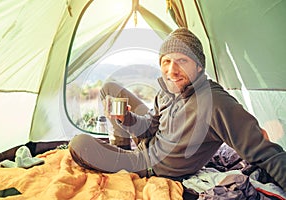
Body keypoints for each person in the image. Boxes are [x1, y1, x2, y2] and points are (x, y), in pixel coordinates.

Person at [68, 27, 286, 193]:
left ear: (199, 66)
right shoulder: (167, 90)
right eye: (166, 61)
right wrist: (126, 118)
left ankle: (124, 158)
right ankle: (121, 147)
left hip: (152, 165)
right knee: (109, 88)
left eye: (182, 61)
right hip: (148, 145)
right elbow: (150, 127)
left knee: (79, 144)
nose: (171, 71)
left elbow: (265, 153)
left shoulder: (215, 103)